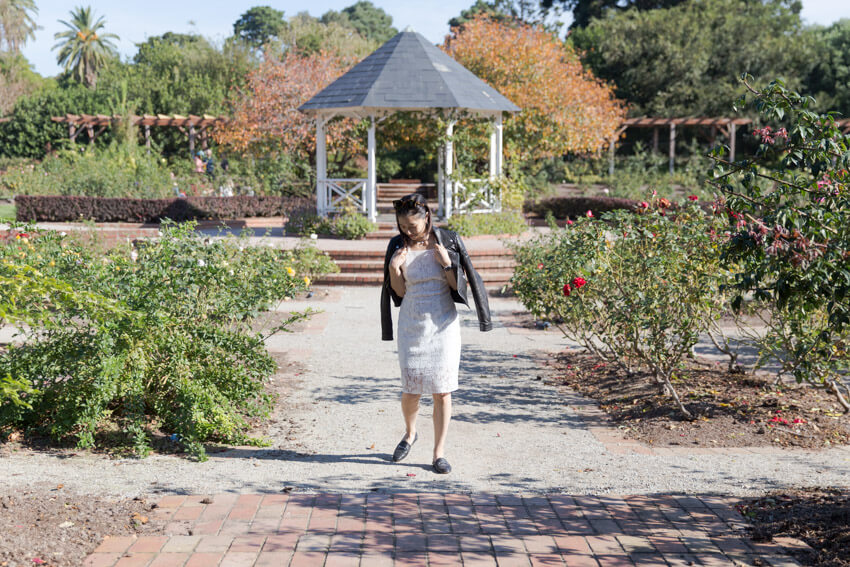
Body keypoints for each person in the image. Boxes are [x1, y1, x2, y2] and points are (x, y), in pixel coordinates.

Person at [380, 193, 492, 474]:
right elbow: (400, 292)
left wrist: (446, 263)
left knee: (442, 391)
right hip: (412, 324)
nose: (407, 232)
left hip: (443, 324)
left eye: (413, 227)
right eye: (403, 226)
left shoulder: (448, 240)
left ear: (427, 217)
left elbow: (459, 287)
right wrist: (394, 267)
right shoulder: (397, 244)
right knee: (411, 390)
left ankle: (438, 452)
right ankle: (410, 432)